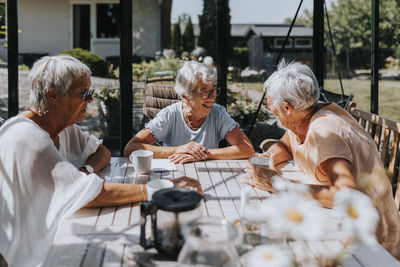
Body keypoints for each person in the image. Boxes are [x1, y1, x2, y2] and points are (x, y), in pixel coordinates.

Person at [0, 55, 148, 266]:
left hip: (54, 238)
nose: (90, 100)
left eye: (91, 92)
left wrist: (85, 170)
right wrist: (155, 190)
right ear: (53, 95)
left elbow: (103, 152)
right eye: (84, 93)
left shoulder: (63, 128)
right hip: (20, 258)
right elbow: (93, 195)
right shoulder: (28, 137)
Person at [247, 60, 400, 260]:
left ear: (287, 107)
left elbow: (347, 194)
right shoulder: (305, 115)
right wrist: (267, 159)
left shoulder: (323, 130)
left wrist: (280, 185)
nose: (269, 108)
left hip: (370, 246)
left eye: (268, 103)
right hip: (343, 226)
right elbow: (284, 146)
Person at [124, 61, 255, 163]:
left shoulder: (218, 113)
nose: (212, 97)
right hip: (175, 176)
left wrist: (204, 154)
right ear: (186, 95)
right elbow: (131, 148)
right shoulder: (169, 114)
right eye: (204, 92)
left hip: (209, 174)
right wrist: (177, 150)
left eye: (213, 90)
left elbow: (247, 149)